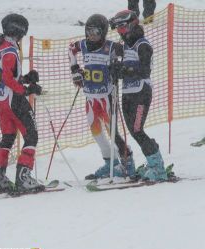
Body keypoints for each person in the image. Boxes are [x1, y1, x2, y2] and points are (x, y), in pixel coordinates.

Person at [68, 14, 135, 180]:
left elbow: (126, 53)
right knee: (96, 133)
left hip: (107, 97)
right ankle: (110, 163)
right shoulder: (82, 45)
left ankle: (128, 163)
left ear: (103, 32)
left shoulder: (111, 47)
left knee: (113, 132)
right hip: (90, 98)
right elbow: (71, 49)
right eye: (89, 31)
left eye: (96, 32)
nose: (92, 36)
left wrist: (118, 66)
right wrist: (75, 70)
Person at [0, 13, 45, 193]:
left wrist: (26, 78)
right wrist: (26, 90)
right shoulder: (10, 51)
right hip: (13, 100)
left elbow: (10, 76)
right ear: (19, 32)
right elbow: (7, 79)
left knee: (9, 136)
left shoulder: (2, 47)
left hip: (1, 101)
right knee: (31, 135)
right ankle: (23, 177)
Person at [109, 10, 168, 181]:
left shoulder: (142, 45)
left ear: (132, 24)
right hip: (128, 93)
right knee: (133, 131)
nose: (120, 32)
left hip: (141, 93)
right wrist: (116, 69)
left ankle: (158, 167)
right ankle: (152, 159)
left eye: (122, 27)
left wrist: (124, 70)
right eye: (118, 29)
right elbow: (124, 66)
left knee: (137, 130)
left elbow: (144, 70)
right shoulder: (127, 45)